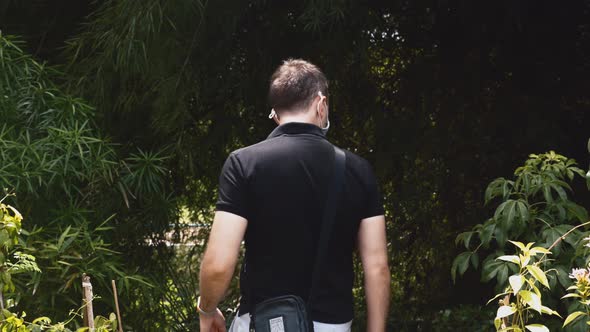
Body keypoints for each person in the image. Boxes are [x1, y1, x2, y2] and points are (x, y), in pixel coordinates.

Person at [198, 59, 390, 332]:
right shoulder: (357, 170)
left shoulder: (244, 164)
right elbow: (377, 267)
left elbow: (218, 264)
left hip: (263, 322)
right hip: (332, 326)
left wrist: (206, 310)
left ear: (275, 113)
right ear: (321, 104)